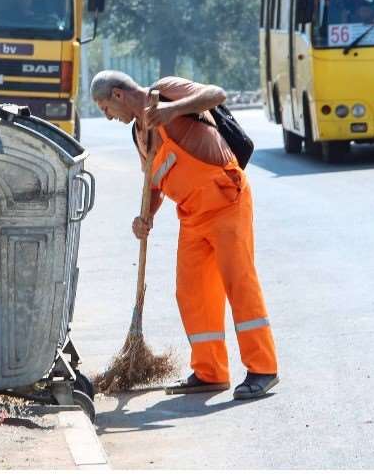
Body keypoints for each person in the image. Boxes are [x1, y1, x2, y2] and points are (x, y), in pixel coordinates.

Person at [90, 70, 279, 400]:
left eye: (106, 108)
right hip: (192, 215)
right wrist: (145, 217)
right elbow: (154, 182)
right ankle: (210, 372)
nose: (107, 116)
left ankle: (263, 369)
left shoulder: (165, 91)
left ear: (118, 95)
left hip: (226, 200)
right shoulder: (139, 134)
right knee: (192, 293)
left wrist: (172, 110)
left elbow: (216, 93)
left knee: (239, 282)